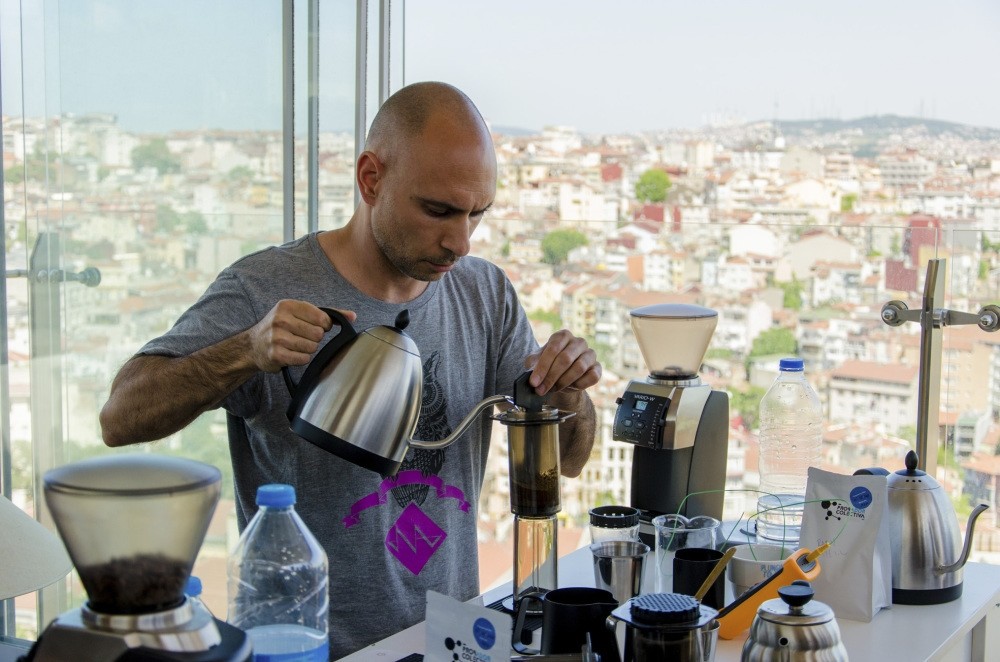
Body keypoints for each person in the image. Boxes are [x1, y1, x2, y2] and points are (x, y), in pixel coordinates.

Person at [99, 81, 601, 658]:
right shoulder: (262, 288)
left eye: (476, 214)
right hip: (307, 649)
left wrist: (571, 398)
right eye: (438, 211)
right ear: (371, 178)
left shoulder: (484, 293)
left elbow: (569, 458)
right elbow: (120, 417)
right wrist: (244, 351)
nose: (459, 241)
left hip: (454, 643)